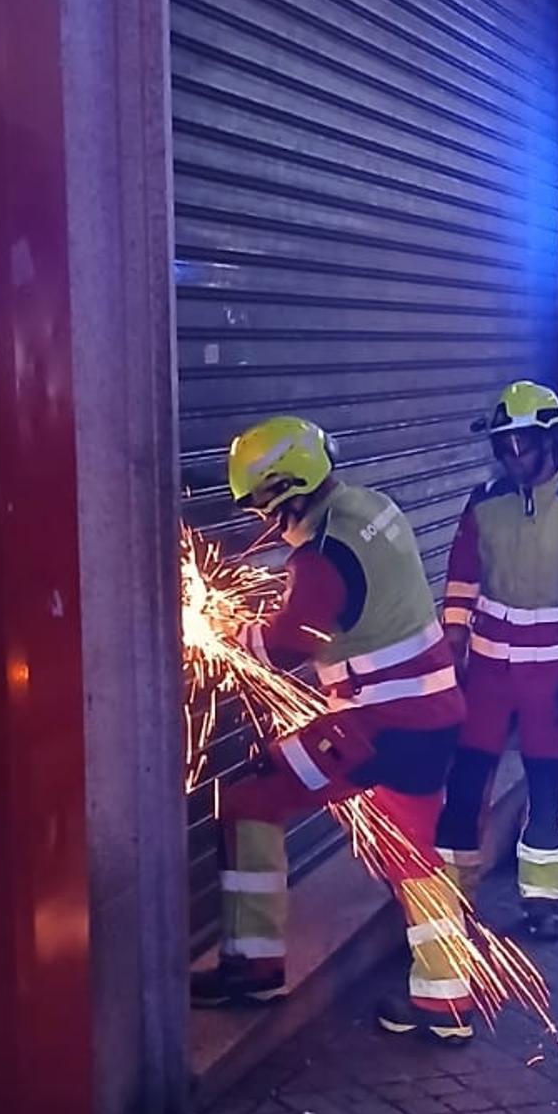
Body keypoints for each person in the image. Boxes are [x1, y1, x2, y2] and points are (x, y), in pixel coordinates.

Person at [192, 416, 473, 1041]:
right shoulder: (369, 505)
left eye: (263, 501)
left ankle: (253, 964)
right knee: (413, 854)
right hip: (435, 714)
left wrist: (224, 634)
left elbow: (290, 642)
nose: (260, 516)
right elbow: (351, 601)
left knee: (250, 800)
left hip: (376, 724)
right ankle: (445, 999)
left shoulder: (319, 559)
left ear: (289, 485)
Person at [436, 381, 558, 941]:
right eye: (504, 447)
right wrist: (452, 641)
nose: (513, 457)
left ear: (551, 442)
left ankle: (543, 901)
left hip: (555, 674)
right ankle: (449, 899)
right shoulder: (483, 505)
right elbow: (462, 576)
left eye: (524, 445)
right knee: (466, 786)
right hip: (488, 672)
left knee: (545, 788)